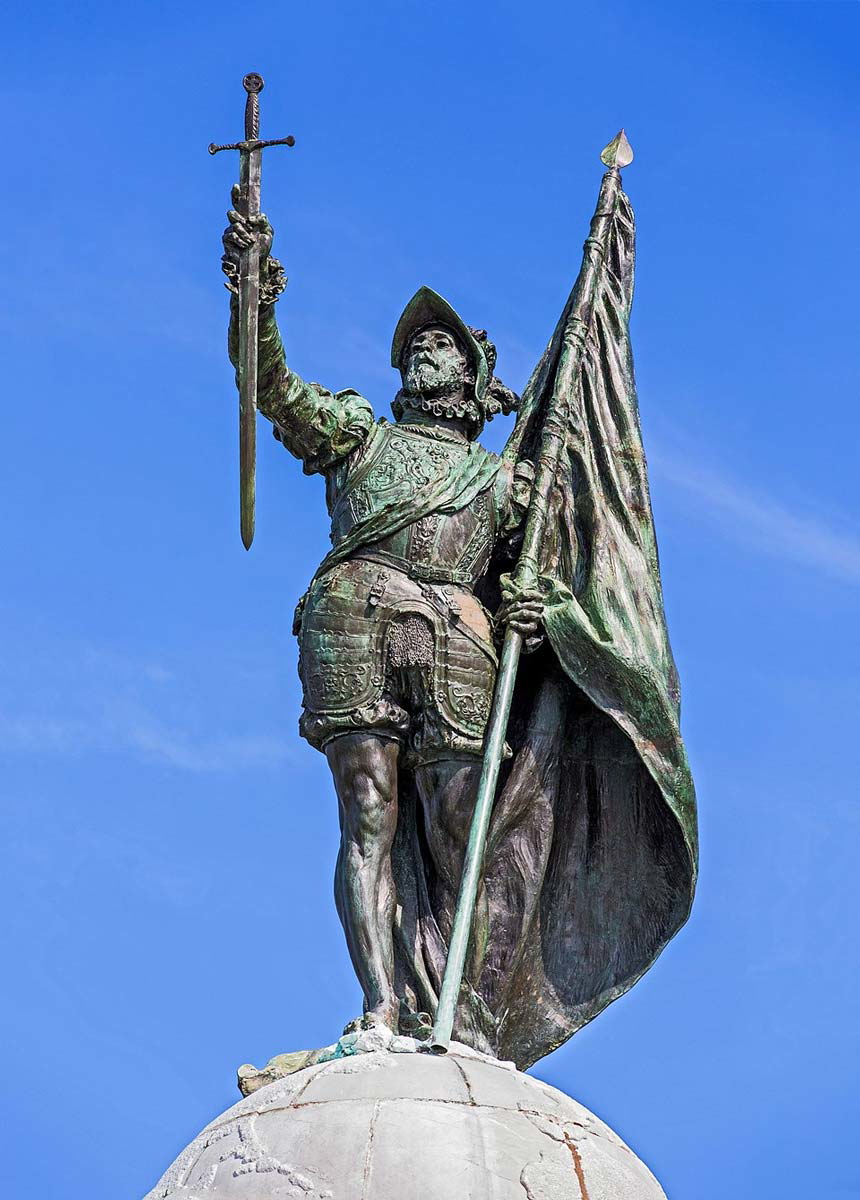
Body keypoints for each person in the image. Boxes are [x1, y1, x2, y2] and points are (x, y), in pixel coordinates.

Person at [223, 204, 541, 1041]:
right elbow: (274, 389)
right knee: (368, 811)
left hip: (459, 631)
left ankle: (458, 1006)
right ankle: (381, 1003)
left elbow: (539, 585)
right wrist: (255, 302)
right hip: (355, 615)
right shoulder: (362, 435)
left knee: (459, 826)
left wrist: (544, 609)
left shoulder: (507, 484)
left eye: (447, 345)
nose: (428, 348)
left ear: (475, 382)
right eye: (419, 345)